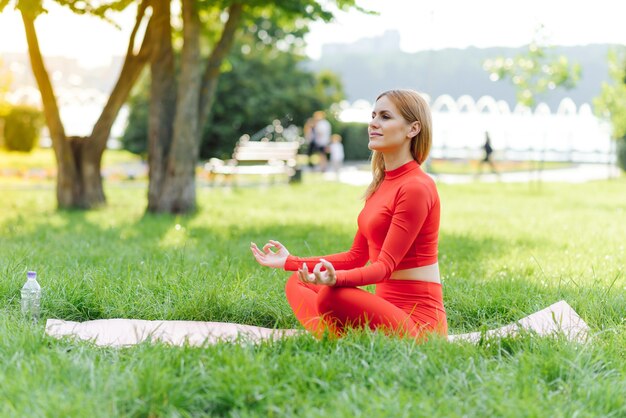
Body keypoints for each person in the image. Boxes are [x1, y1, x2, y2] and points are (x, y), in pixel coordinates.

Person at [251, 89, 447, 341]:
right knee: (297, 283)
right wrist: (290, 261)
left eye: (385, 117)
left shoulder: (417, 187)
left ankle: (339, 338)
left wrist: (334, 279)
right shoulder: (381, 184)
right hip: (387, 312)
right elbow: (356, 256)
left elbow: (384, 268)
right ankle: (343, 340)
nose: (373, 123)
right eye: (373, 115)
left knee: (333, 294)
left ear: (413, 129)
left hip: (419, 325)